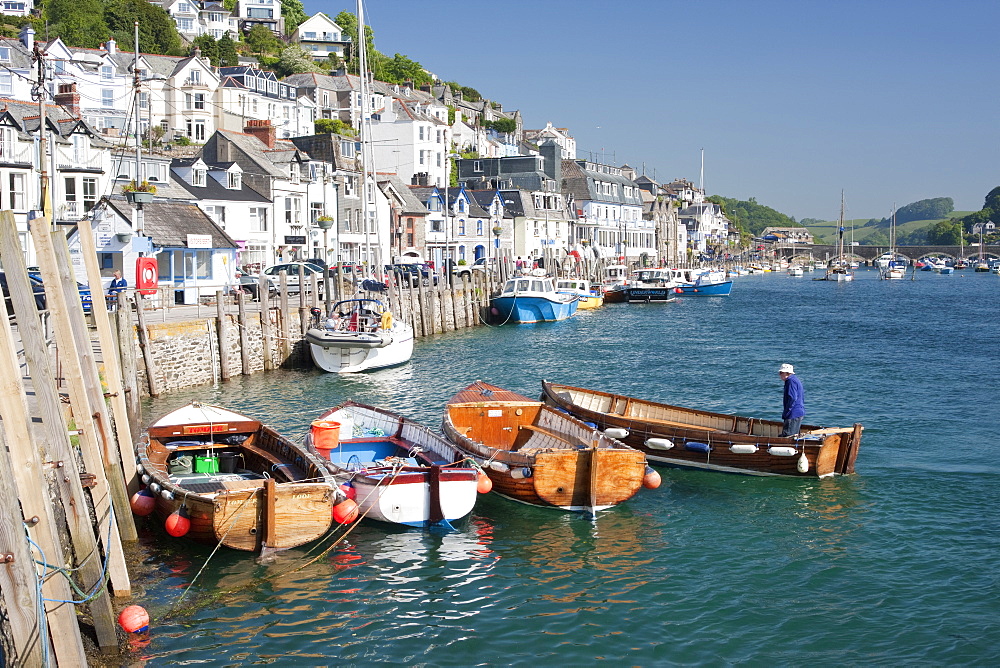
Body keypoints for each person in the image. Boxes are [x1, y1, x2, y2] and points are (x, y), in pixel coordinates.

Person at [778, 363, 805, 436]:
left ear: (787, 373)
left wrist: (787, 412)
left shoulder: (791, 381)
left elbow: (792, 398)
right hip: (798, 412)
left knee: (788, 436)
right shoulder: (795, 380)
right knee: (794, 436)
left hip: (793, 414)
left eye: (781, 373)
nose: (779, 375)